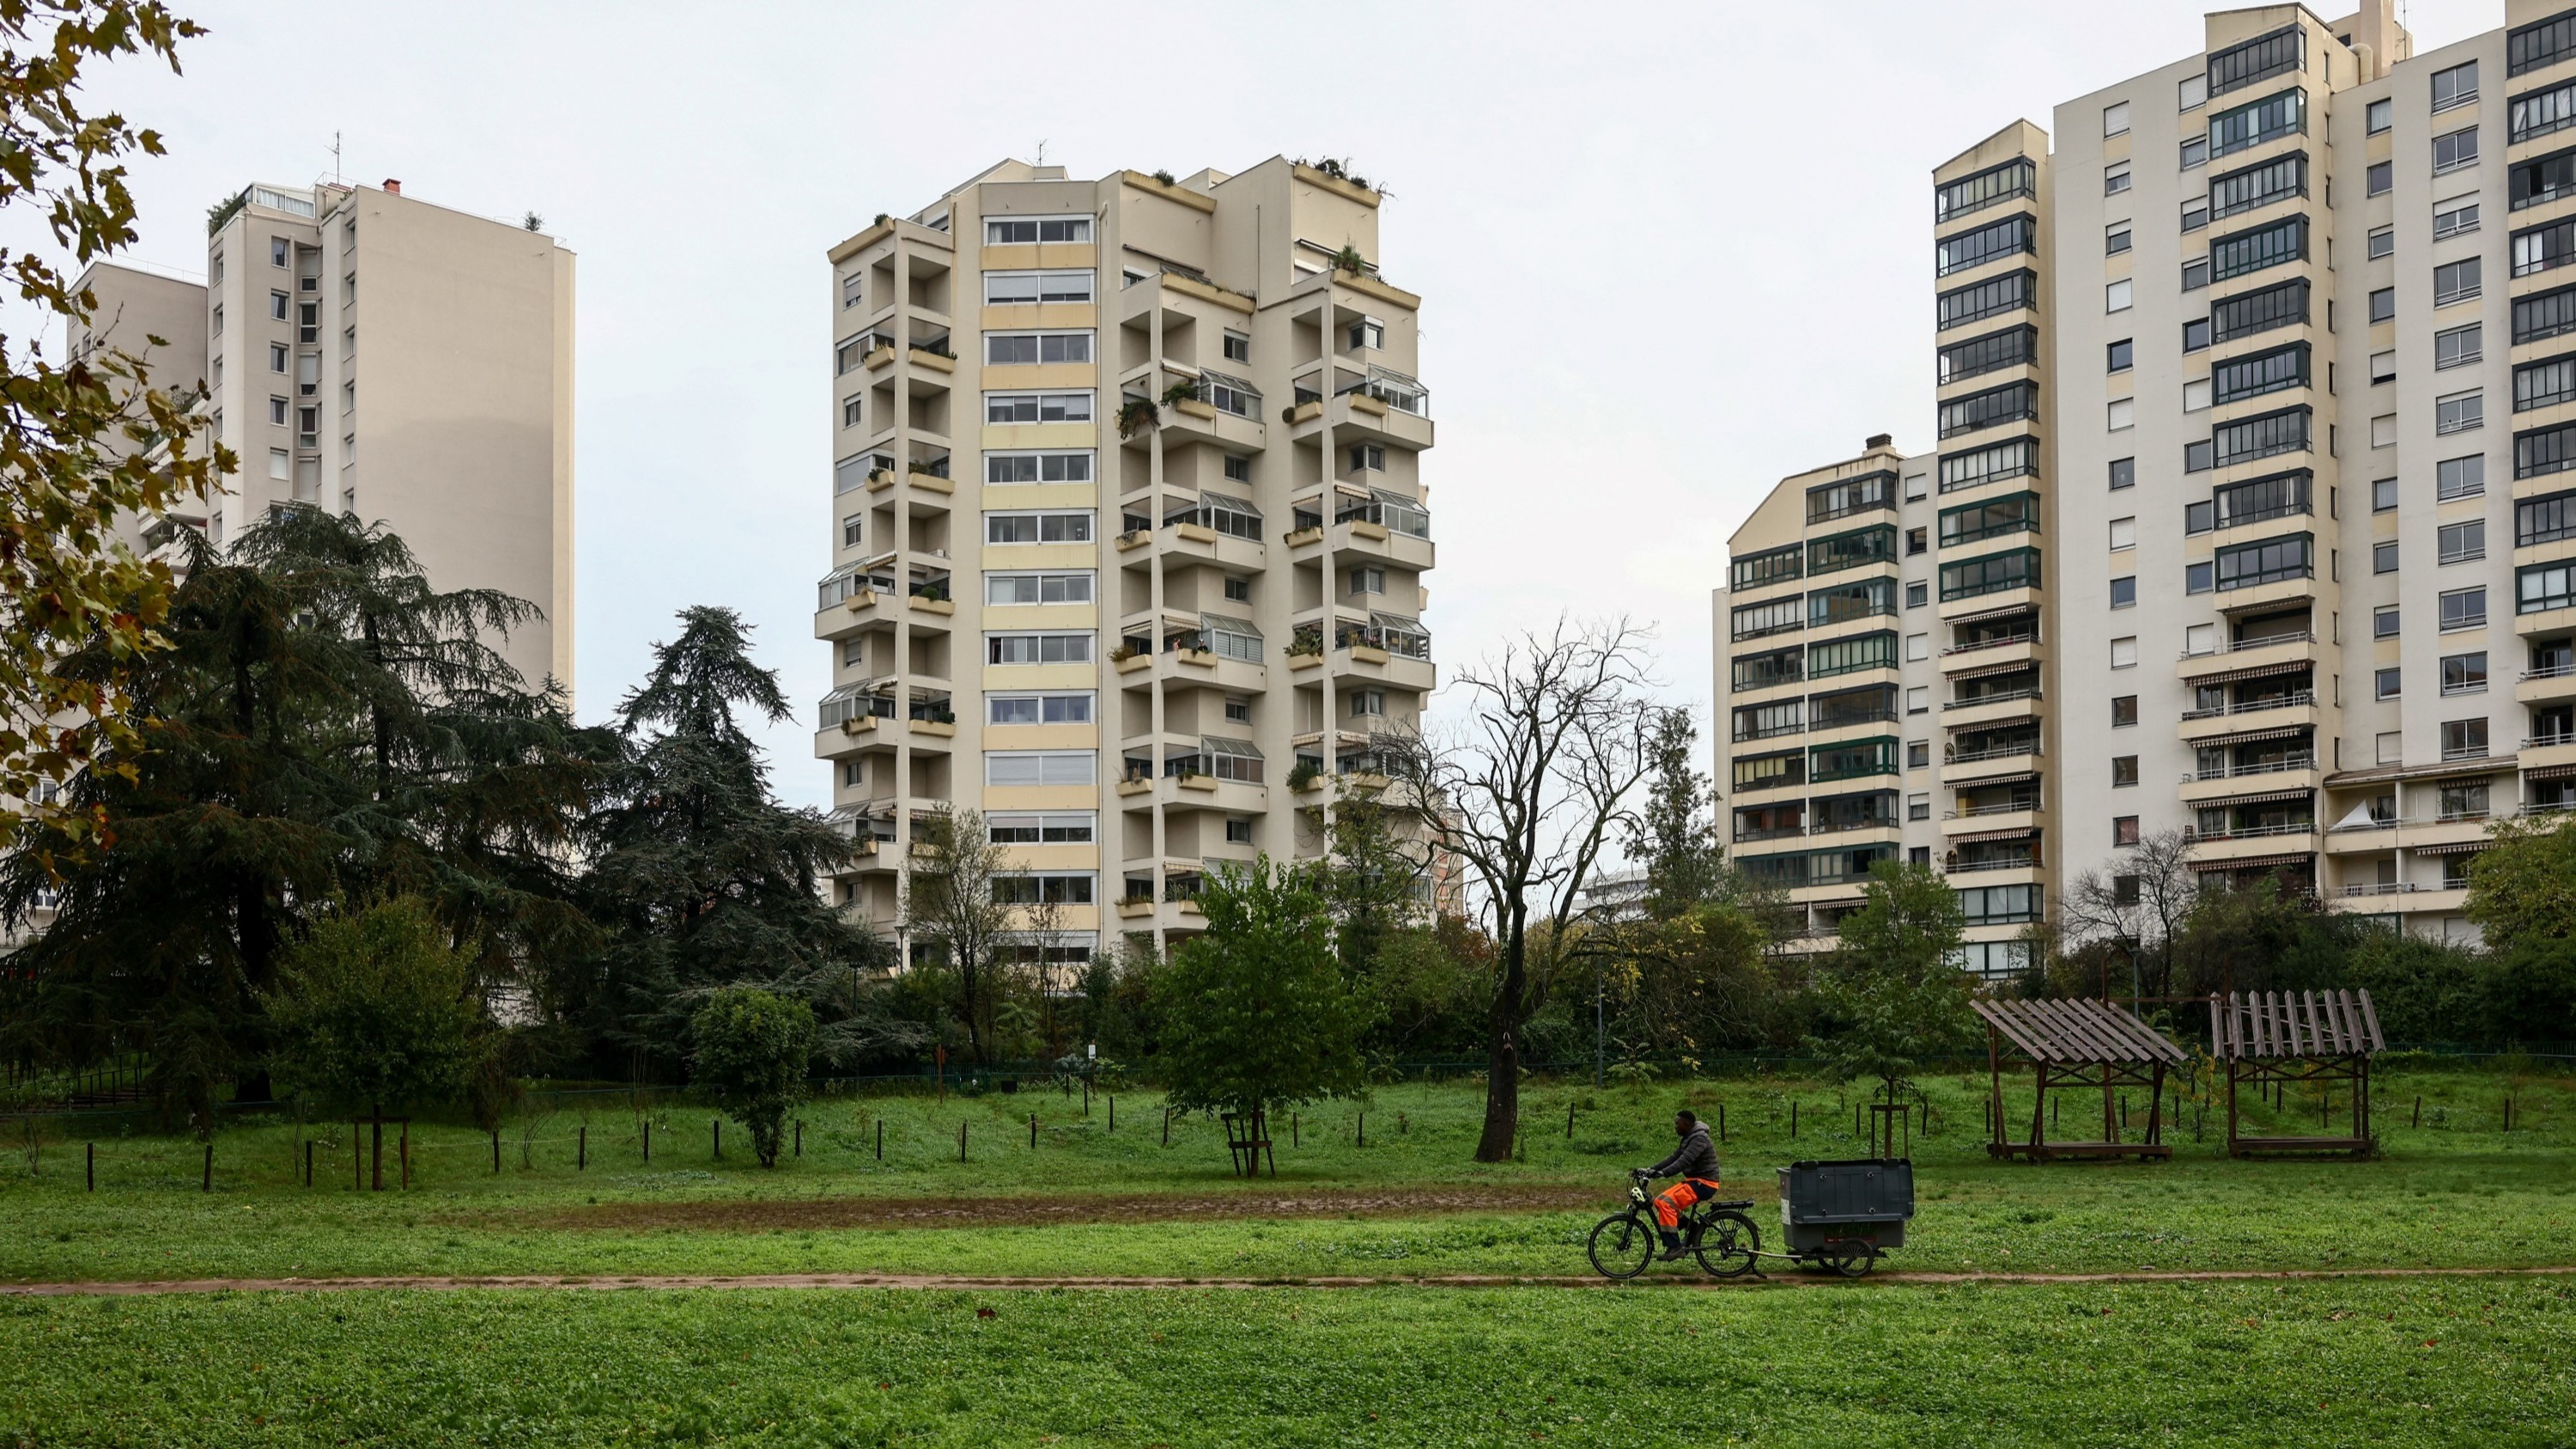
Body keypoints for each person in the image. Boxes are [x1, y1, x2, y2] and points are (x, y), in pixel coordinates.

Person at [1639, 1106, 1722, 1261]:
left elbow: (1684, 1161)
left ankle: (1675, 1247)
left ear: (1687, 1123)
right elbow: (1673, 1158)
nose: (1676, 1126)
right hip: (1694, 1181)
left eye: (1678, 1124)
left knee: (1667, 1205)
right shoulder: (1689, 1137)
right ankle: (1695, 1229)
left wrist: (1664, 1173)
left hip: (1705, 1183)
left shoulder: (1699, 1138)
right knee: (1659, 1201)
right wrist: (1650, 1170)